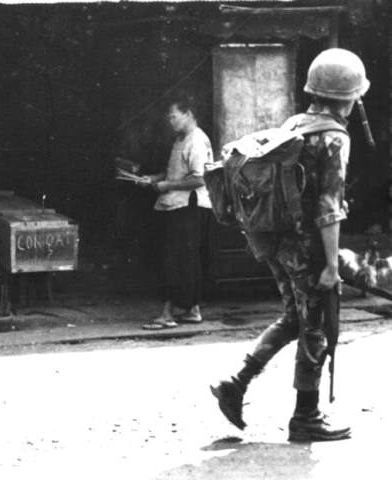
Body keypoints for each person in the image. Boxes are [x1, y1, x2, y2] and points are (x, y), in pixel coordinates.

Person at [210, 48, 370, 442]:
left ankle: (236, 382)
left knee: (295, 318)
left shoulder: (297, 123)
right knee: (313, 324)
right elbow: (329, 209)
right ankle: (306, 416)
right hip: (308, 247)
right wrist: (332, 266)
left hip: (275, 242)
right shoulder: (334, 137)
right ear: (350, 96)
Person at [139, 96, 213, 330]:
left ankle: (167, 313)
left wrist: (166, 186)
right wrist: (154, 179)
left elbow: (199, 178)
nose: (170, 121)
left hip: (188, 206)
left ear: (188, 113)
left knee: (177, 260)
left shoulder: (197, 140)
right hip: (177, 205)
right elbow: (175, 172)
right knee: (185, 260)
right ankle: (191, 310)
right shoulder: (181, 139)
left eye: (174, 116)